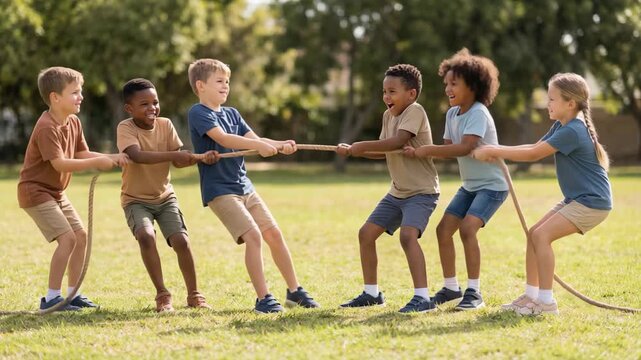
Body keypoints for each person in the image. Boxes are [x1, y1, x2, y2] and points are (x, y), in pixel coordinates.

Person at [472, 72, 612, 315]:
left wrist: (495, 149)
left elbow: (534, 155)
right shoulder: (562, 125)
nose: (547, 104)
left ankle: (546, 303)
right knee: (533, 234)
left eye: (551, 99)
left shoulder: (573, 130)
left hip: (593, 203)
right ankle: (531, 296)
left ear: (570, 103)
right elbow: (533, 147)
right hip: (578, 199)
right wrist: (497, 150)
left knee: (542, 236)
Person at [186, 58, 319, 314]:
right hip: (221, 191)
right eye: (219, 82)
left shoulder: (233, 113)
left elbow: (254, 140)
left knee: (274, 234)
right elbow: (223, 138)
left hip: (244, 186)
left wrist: (281, 144)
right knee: (253, 236)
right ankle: (263, 299)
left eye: (227, 82)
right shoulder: (198, 112)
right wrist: (259, 147)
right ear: (201, 86)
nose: (225, 86)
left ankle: (294, 291)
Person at [403, 49, 507, 310]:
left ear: (473, 86)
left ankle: (474, 292)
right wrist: (420, 148)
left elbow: (464, 147)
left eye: (454, 84)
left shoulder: (479, 112)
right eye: (446, 84)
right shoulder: (452, 114)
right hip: (470, 186)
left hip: (492, 187)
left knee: (467, 229)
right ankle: (451, 288)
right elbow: (449, 147)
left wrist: (427, 150)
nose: (447, 89)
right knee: (443, 230)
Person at [18, 66, 129, 311]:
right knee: (67, 239)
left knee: (80, 236)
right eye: (75, 92)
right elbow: (60, 163)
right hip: (35, 191)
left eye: (81, 91)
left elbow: (80, 152)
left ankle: (72, 294)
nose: (81, 97)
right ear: (55, 98)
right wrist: (97, 162)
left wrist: (112, 156)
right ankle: (51, 298)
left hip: (56, 192)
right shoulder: (47, 127)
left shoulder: (73, 122)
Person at [337, 64, 440, 313]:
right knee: (366, 234)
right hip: (397, 192)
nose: (386, 97)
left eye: (392, 91)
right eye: (384, 91)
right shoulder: (387, 116)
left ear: (411, 94)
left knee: (407, 237)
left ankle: (422, 298)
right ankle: (372, 294)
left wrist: (360, 145)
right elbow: (385, 151)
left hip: (421, 192)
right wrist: (355, 152)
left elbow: (397, 141)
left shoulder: (415, 111)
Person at [117, 78, 218, 312]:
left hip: (165, 197)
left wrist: (200, 158)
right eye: (144, 104)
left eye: (155, 102)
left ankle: (194, 295)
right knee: (145, 236)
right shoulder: (126, 128)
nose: (152, 107)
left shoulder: (166, 124)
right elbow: (137, 155)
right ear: (129, 109)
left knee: (181, 241)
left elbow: (178, 161)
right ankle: (162, 295)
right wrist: (174, 156)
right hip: (135, 199)